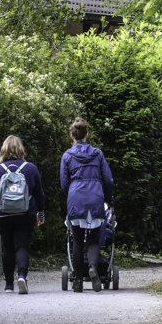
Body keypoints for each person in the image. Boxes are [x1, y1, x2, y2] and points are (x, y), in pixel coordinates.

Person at [0, 135, 46, 294]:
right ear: (21, 149)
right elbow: (39, 195)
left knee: (8, 248)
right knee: (22, 246)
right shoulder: (31, 168)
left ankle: (9, 285)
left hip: (3, 215)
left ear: (3, 150)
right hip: (26, 212)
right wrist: (40, 213)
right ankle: (22, 276)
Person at [60, 117, 114, 293]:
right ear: (87, 135)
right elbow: (108, 179)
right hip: (95, 198)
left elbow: (64, 182)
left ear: (72, 136)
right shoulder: (97, 154)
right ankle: (92, 267)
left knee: (77, 240)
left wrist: (72, 194)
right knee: (93, 239)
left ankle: (77, 282)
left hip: (76, 198)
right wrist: (107, 199)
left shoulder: (67, 156)